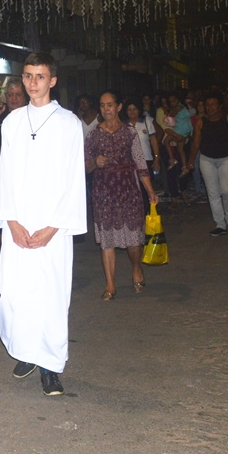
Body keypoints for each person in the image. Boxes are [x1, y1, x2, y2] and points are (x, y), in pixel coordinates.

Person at [0, 52, 87, 397]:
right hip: (17, 223)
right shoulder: (12, 122)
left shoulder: (68, 123)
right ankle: (27, 351)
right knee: (14, 293)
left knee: (50, 296)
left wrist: (54, 227)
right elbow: (5, 176)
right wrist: (11, 222)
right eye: (27, 76)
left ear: (52, 81)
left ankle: (50, 367)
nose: (32, 83)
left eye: (40, 76)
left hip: (52, 226)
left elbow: (73, 179)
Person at [85, 91, 159, 300]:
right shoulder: (93, 134)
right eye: (102, 105)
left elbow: (140, 163)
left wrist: (150, 191)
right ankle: (110, 285)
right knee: (107, 241)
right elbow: (85, 165)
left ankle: (136, 267)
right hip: (103, 192)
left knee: (133, 239)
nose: (106, 109)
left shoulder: (130, 132)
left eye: (110, 104)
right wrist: (94, 162)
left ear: (118, 107)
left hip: (128, 189)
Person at [188, 92, 228, 236]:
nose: (209, 107)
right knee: (213, 193)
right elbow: (196, 143)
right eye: (207, 105)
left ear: (220, 106)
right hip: (207, 160)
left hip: (226, 159)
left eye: (213, 104)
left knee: (227, 190)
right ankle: (220, 224)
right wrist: (191, 160)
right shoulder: (201, 122)